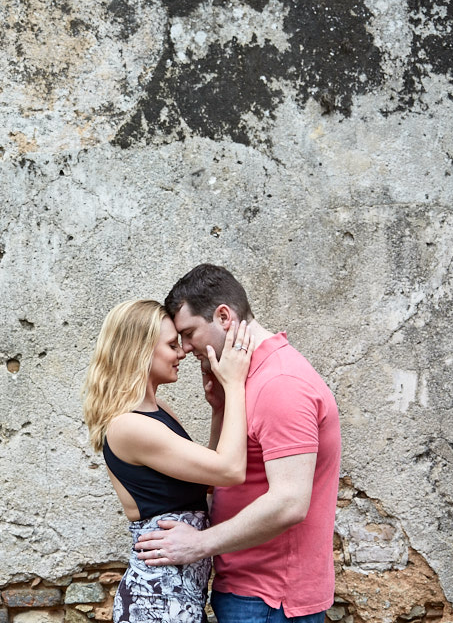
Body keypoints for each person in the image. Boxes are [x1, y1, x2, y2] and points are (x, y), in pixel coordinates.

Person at [134, 264, 342, 622]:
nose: (185, 348)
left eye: (188, 333)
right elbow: (225, 476)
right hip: (247, 590)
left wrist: (199, 544)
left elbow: (290, 502)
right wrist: (220, 409)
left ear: (224, 316)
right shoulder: (248, 377)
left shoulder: (281, 384)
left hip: (271, 599)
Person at [83, 299, 254, 623]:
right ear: (141, 350)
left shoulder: (156, 411)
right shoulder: (129, 426)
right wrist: (235, 385)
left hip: (181, 600)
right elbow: (231, 470)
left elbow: (207, 478)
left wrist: (219, 409)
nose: (182, 353)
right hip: (157, 604)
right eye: (172, 345)